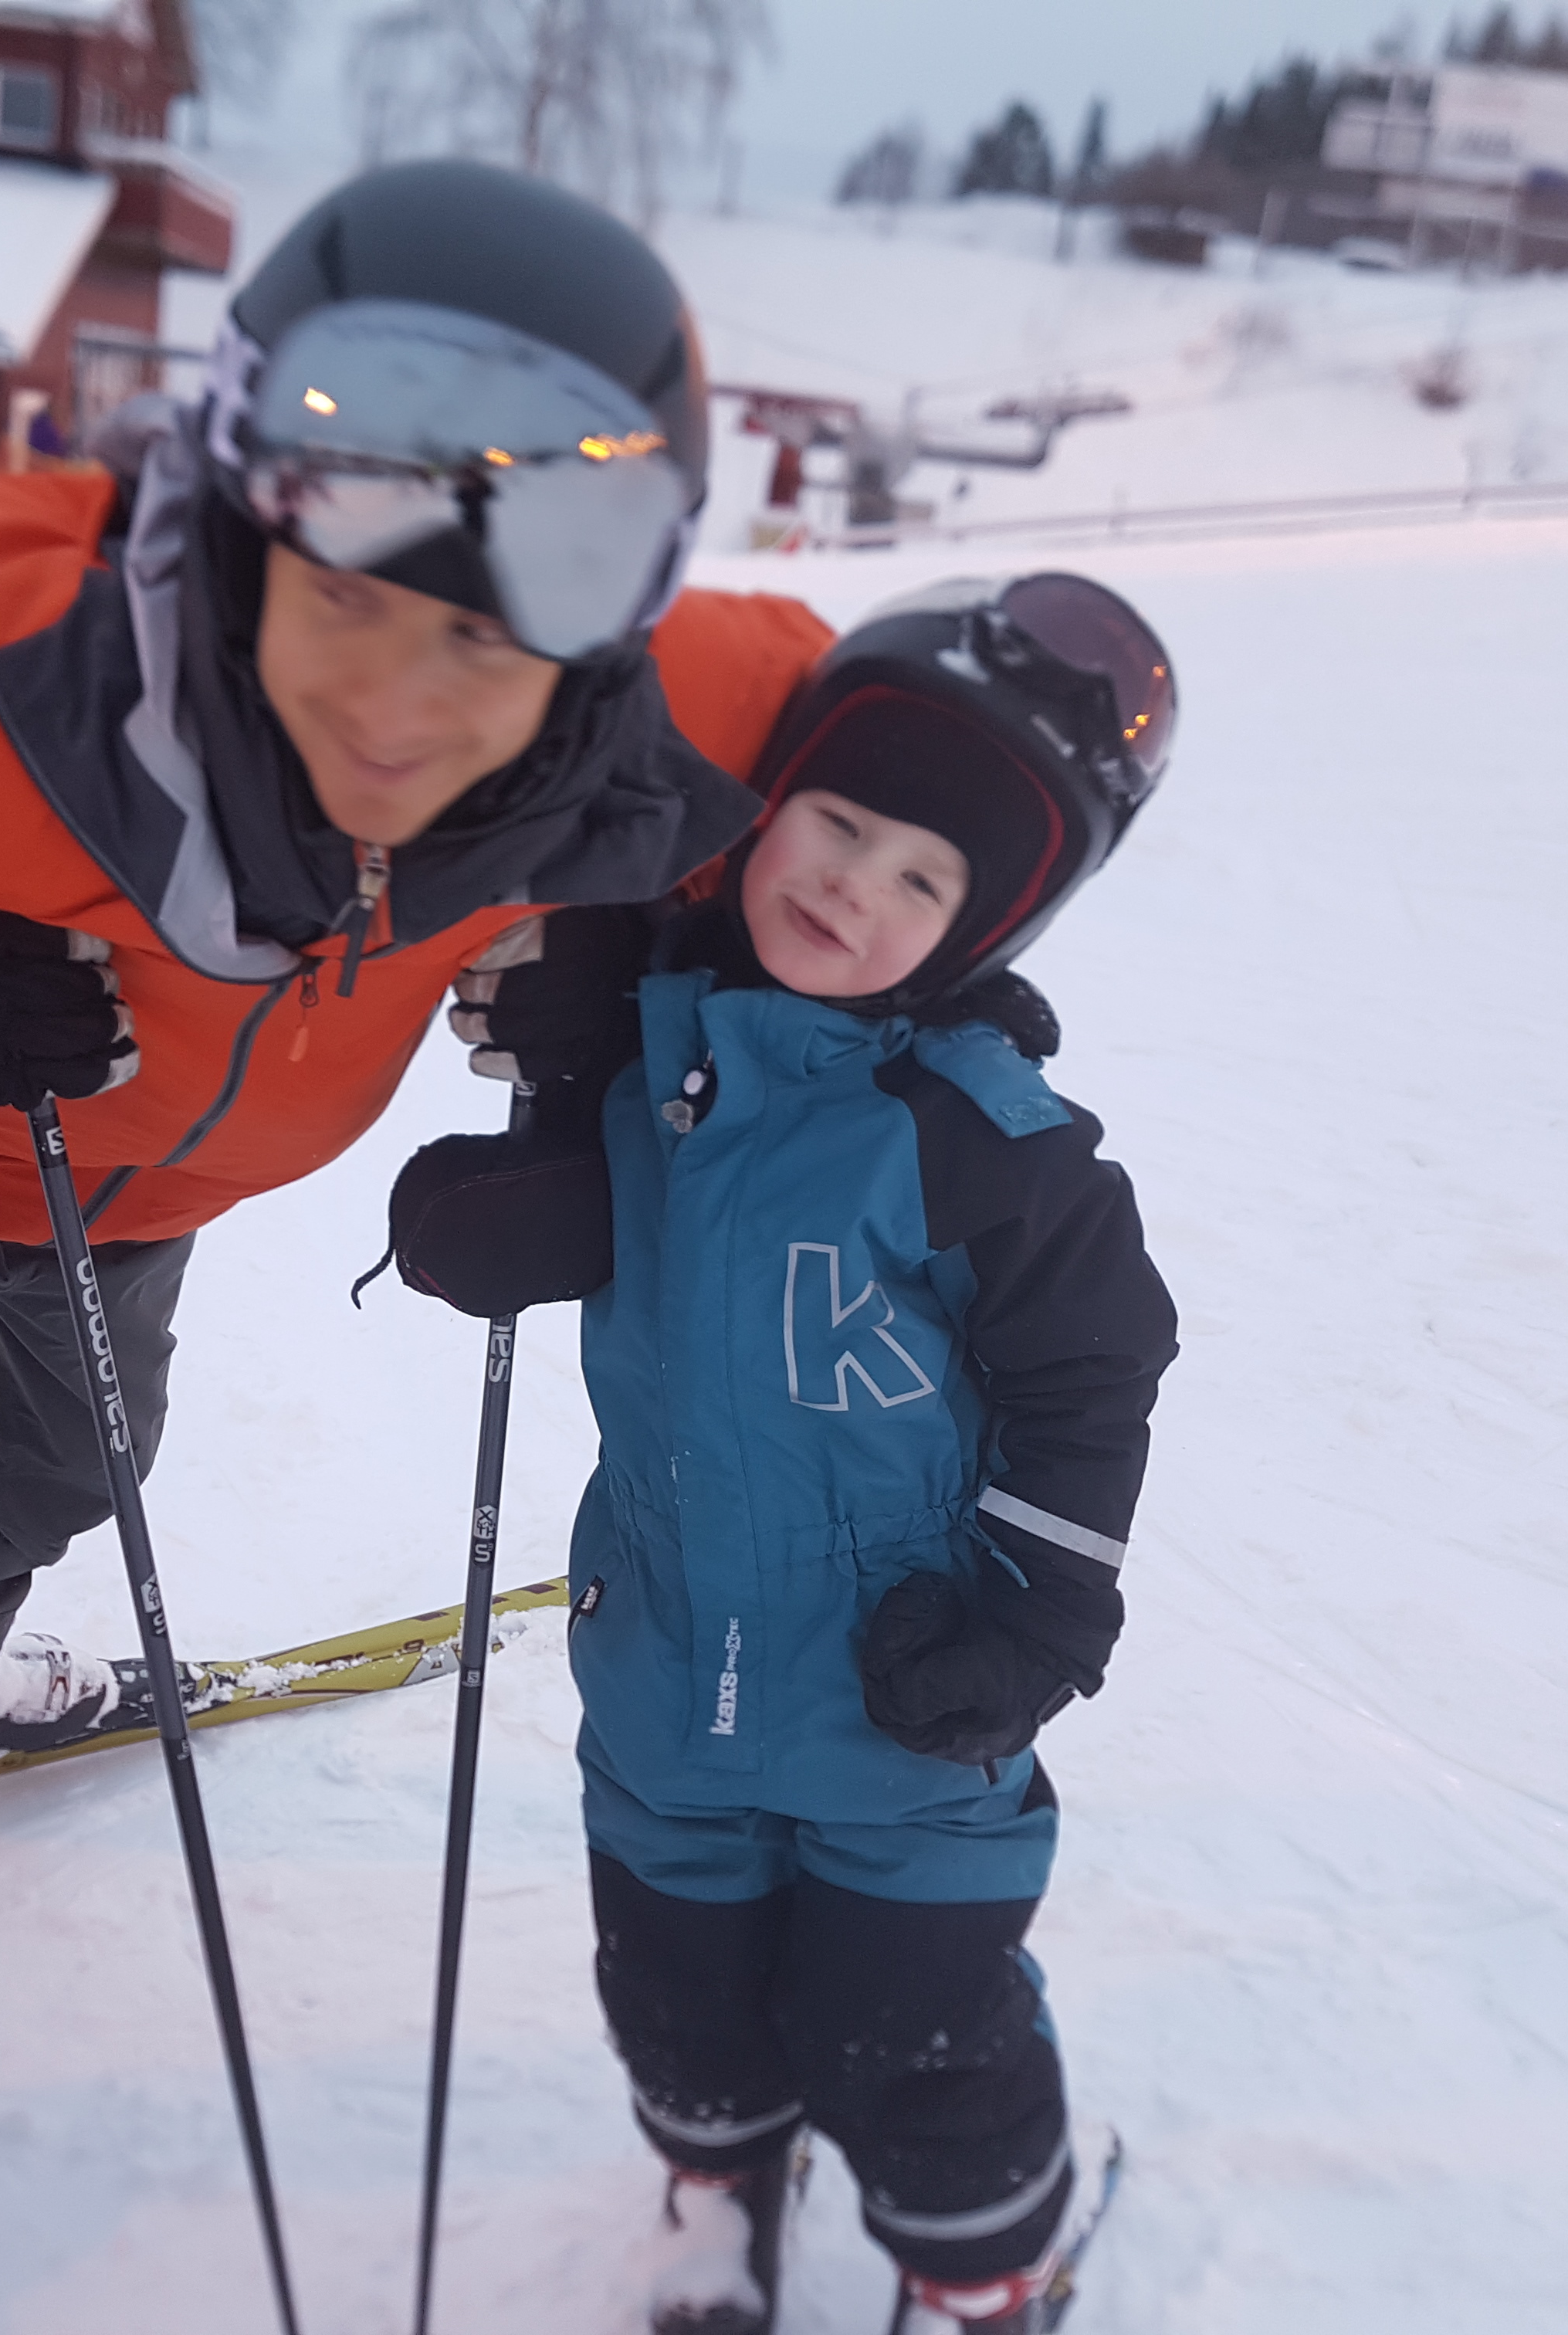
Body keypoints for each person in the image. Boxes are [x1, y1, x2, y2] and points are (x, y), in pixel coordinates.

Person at [0, 158, 835, 1800]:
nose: (397, 707)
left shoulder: (655, 723)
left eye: (483, 640)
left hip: (130, 1210)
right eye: (347, 598)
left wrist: (639, 960)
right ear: (243, 542)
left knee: (47, 1487)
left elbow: (931, 793)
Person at [388, 575, 1184, 2333]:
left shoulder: (982, 1140)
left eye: (923, 881)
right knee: (676, 1990)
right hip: (663, 1667)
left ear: (983, 931)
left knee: (913, 2032)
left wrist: (1038, 1618)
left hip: (907, 1692)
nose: (852, 885)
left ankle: (982, 2266)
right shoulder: (647, 1060)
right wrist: (515, 1185)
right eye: (836, 823)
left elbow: (1092, 1373)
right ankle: (716, 2186)